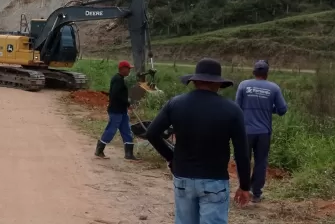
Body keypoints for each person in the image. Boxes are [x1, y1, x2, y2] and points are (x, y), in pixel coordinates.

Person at [146, 58, 251, 224]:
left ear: (194, 81)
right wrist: (245, 185)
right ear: (217, 83)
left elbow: (152, 133)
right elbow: (242, 152)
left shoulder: (175, 104)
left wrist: (171, 157)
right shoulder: (232, 110)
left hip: (183, 178)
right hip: (214, 182)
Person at [235, 60, 288, 203]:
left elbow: (237, 108)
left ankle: (244, 189)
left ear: (254, 72)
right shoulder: (274, 88)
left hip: (245, 131)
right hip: (264, 132)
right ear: (266, 74)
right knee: (261, 162)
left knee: (243, 160)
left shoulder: (243, 85)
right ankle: (256, 194)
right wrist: (270, 108)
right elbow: (283, 109)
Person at [94, 60, 138, 160]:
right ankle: (99, 150)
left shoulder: (121, 79)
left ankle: (129, 154)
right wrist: (127, 103)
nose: (129, 71)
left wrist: (126, 104)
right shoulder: (118, 79)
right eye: (128, 69)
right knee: (111, 130)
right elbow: (115, 95)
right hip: (116, 110)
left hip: (122, 110)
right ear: (122, 69)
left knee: (126, 130)